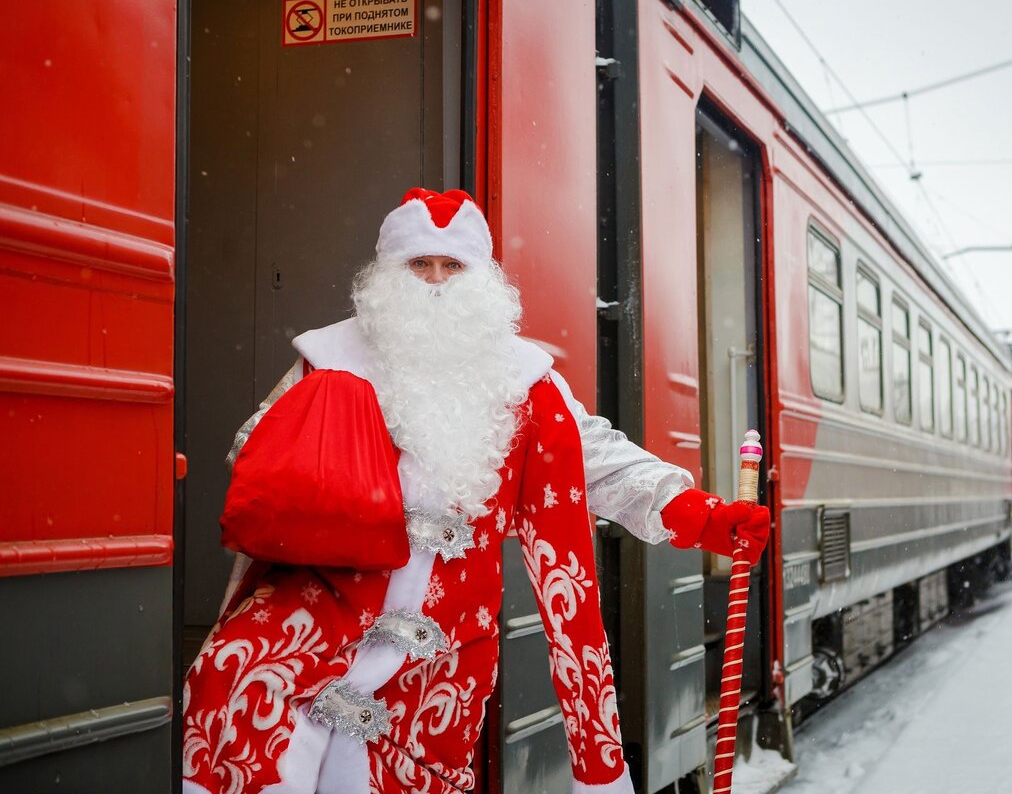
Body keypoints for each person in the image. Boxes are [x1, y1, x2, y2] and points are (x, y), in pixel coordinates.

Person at [181, 188, 770, 794]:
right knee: (233, 692)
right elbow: (255, 451)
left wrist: (700, 517)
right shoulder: (327, 359)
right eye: (419, 265)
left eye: (452, 266)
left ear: (480, 278)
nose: (435, 282)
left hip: (443, 644)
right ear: (389, 273)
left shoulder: (524, 380)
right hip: (316, 606)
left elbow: (599, 460)